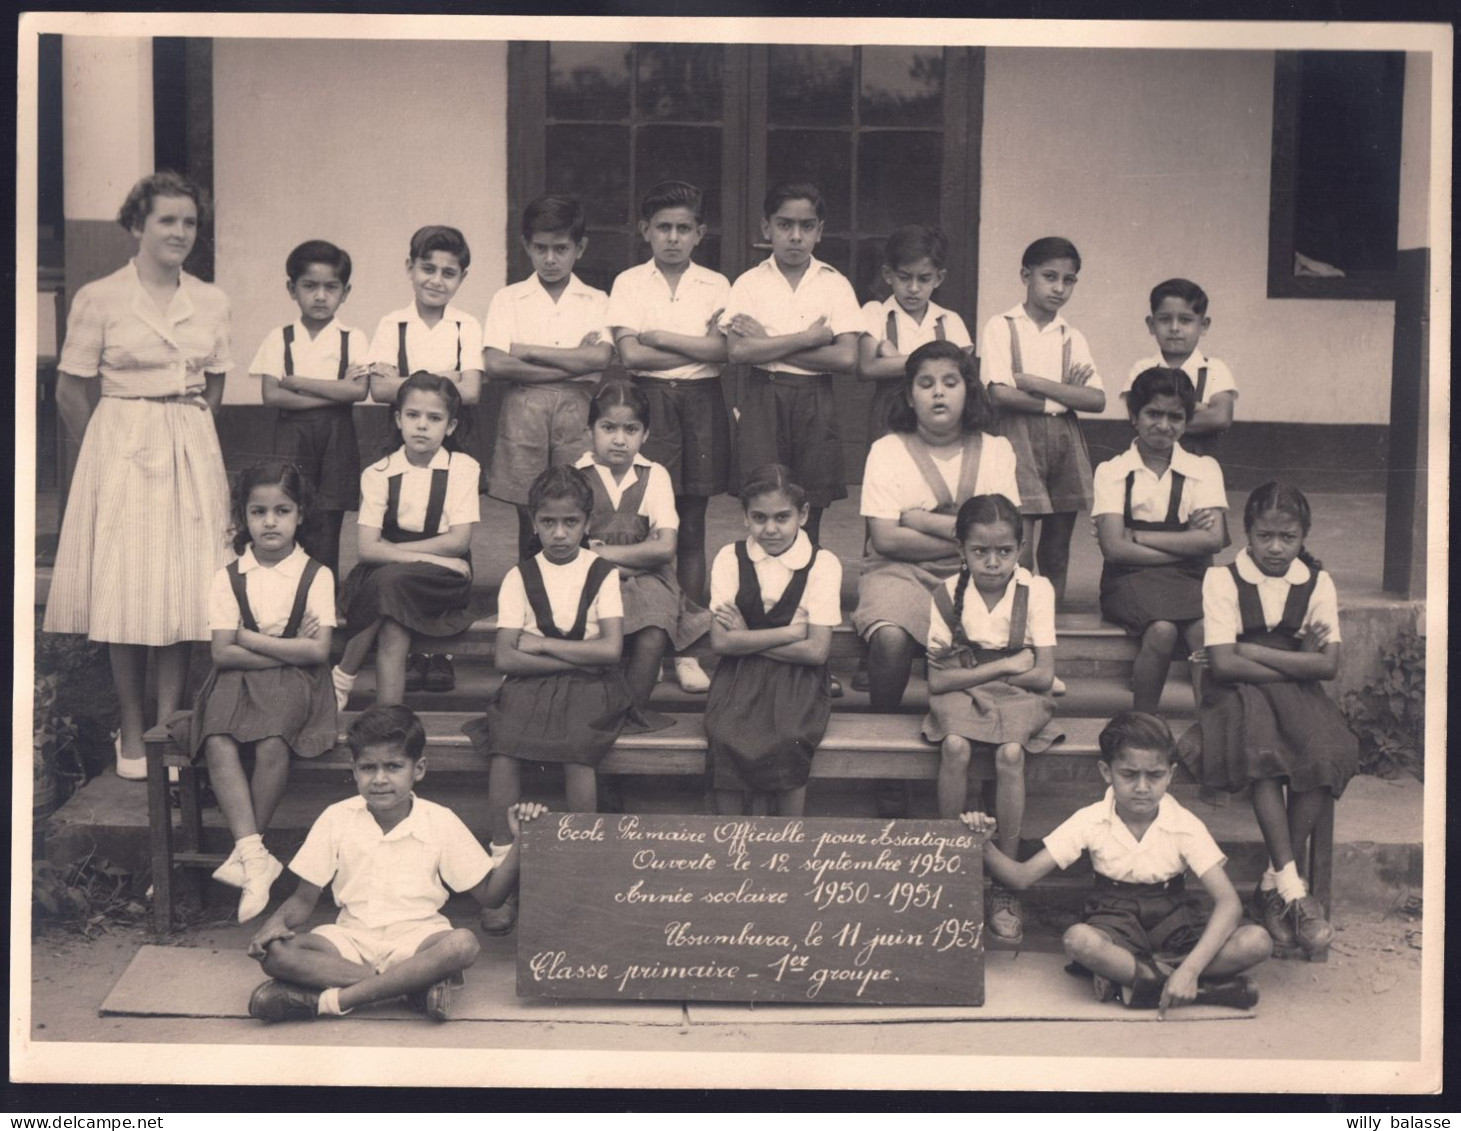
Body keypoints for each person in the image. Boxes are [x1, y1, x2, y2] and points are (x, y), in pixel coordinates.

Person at [45, 171, 232, 781]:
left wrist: (186, 431)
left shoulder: (210, 300)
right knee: (128, 590)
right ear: (136, 225)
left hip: (187, 444)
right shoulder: (100, 298)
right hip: (121, 445)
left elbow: (219, 380)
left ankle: (167, 727)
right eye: (167, 221)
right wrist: (108, 448)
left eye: (189, 223)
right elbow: (71, 390)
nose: (180, 232)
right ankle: (130, 729)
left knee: (180, 589)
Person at [246, 705, 546, 1023]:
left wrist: (521, 840)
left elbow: (492, 896)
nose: (379, 779)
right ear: (353, 768)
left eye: (393, 766)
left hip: (418, 939)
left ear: (418, 769)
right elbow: (303, 900)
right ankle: (412, 986)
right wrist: (273, 926)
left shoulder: (440, 820)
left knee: (462, 944)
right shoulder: (337, 817)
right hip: (351, 939)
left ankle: (329, 1001)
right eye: (368, 768)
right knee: (277, 952)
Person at [963, 712, 1271, 1013]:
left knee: (1256, 941)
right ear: (1106, 771)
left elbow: (1229, 903)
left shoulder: (1184, 824)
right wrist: (983, 843)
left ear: (1171, 774)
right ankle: (1205, 991)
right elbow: (1021, 877)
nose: (1141, 787)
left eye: (1155, 775)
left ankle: (1138, 982)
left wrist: (1189, 969)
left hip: (1175, 920)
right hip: (1113, 917)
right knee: (1079, 941)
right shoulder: (1090, 819)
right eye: (1128, 774)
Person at [465, 467, 659, 933]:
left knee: (578, 750)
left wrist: (545, 644)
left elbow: (610, 651)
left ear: (587, 523)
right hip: (532, 685)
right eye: (549, 522)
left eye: (570, 522)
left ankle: (578, 863)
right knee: (505, 746)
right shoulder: (520, 576)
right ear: (533, 522)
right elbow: (506, 658)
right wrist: (578, 658)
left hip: (593, 689)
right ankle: (501, 863)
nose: (559, 533)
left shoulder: (602, 573)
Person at [1180, 483, 1358, 959]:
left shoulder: (1317, 581)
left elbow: (1328, 666)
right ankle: (1295, 895)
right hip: (1236, 694)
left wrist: (1252, 648)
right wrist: (1294, 654)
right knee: (1264, 752)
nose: (1276, 548)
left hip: (1294, 692)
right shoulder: (1223, 579)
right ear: (1248, 534)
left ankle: (1271, 884)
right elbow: (1223, 665)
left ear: (1304, 537)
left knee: (1326, 752)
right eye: (1265, 537)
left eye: (1288, 537)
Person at [169, 460, 337, 923]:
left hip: (298, 685)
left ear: (300, 514)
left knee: (271, 741)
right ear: (243, 517)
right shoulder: (228, 576)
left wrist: (249, 638)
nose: (270, 522)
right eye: (258, 511)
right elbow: (222, 654)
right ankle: (254, 855)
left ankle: (247, 855)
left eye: (282, 511)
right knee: (218, 739)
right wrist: (289, 647)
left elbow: (318, 652)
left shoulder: (315, 575)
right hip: (235, 680)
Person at [609, 180, 731, 694]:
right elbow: (631, 357)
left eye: (684, 228)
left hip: (702, 403)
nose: (674, 237)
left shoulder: (718, 285)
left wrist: (657, 335)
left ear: (699, 233)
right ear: (646, 231)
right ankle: (645, 629)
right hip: (650, 403)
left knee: (694, 524)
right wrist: (691, 346)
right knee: (646, 520)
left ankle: (688, 645)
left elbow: (722, 352)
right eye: (664, 227)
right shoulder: (629, 282)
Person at [852, 341, 1021, 713]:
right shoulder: (887, 450)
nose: (938, 392)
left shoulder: (996, 450)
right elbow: (886, 539)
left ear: (968, 390)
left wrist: (920, 520)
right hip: (899, 572)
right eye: (925, 384)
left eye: (950, 382)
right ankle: (883, 730)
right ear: (910, 397)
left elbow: (1003, 535)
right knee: (891, 637)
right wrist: (971, 539)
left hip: (979, 574)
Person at [924, 494, 1060, 944]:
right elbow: (938, 682)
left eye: (1004, 551)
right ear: (961, 549)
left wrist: (1014, 673)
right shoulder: (946, 593)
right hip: (966, 688)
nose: (993, 562)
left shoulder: (1036, 591)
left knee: (1009, 754)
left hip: (1020, 695)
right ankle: (953, 863)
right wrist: (1003, 665)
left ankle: (1005, 882)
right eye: (980, 551)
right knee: (956, 746)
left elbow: (1042, 674)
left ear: (1020, 549)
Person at [364, 224, 484, 695]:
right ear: (410, 268)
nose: (437, 279)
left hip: (453, 435)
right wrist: (442, 378)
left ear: (462, 277)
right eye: (427, 268)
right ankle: (408, 642)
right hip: (406, 431)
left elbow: (470, 391)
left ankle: (441, 650)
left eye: (449, 273)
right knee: (403, 521)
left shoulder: (465, 325)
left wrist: (410, 380)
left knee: (451, 525)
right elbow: (378, 389)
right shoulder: (391, 324)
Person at [722, 181, 862, 548]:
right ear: (766, 228)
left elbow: (846, 357)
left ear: (820, 230)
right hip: (764, 394)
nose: (795, 236)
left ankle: (806, 584)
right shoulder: (749, 283)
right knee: (762, 496)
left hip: (814, 398)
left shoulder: (835, 284)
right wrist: (806, 338)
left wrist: (766, 342)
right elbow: (737, 353)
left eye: (806, 226)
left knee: (809, 501)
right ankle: (761, 587)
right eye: (785, 225)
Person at [332, 374, 480, 711]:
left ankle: (342, 676)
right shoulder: (378, 472)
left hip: (440, 581)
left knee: (388, 583)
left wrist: (401, 555)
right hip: (397, 571)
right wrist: (436, 558)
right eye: (413, 415)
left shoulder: (463, 468)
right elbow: (367, 548)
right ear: (398, 419)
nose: (422, 426)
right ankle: (390, 716)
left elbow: (458, 541)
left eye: (434, 418)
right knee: (393, 624)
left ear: (452, 426)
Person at [706, 464, 842, 818]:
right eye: (759, 517)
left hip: (798, 681)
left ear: (804, 514)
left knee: (787, 738)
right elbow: (721, 643)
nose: (770, 529)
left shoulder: (823, 564)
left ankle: (784, 841)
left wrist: (746, 635)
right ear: (745, 518)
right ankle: (730, 837)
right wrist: (787, 633)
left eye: (782, 517)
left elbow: (815, 651)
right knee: (723, 734)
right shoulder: (729, 558)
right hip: (739, 675)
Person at [483, 194, 613, 561]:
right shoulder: (508, 299)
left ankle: (575, 585)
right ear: (526, 245)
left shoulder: (595, 299)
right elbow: (496, 364)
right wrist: (572, 361)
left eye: (561, 248)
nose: (551, 259)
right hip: (523, 407)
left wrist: (526, 349)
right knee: (529, 508)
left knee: (576, 500)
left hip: (577, 408)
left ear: (580, 248)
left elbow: (599, 359)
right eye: (541, 248)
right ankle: (529, 586)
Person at [979, 236, 1106, 607]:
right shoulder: (1002, 326)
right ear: (1026, 275)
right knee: (1020, 539)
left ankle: (1048, 617)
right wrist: (1064, 395)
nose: (1059, 288)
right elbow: (999, 393)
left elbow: (1096, 398)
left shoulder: (1072, 336)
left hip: (1066, 440)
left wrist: (1034, 383)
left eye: (1068, 280)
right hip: (1016, 438)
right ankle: (1012, 616)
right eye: (1050, 277)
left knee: (1058, 544)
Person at [1093, 367, 1228, 714]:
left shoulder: (1204, 468)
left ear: (1187, 421)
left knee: (1202, 632)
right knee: (1163, 630)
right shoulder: (1112, 471)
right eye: (1154, 413)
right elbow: (1114, 549)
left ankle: (1210, 729)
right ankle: (1144, 724)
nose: (1164, 425)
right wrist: (1185, 542)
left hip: (1189, 580)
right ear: (1134, 416)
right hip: (1129, 579)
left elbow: (1213, 539)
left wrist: (1140, 536)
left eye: (1175, 417)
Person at [574, 381, 710, 711]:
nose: (620, 439)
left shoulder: (655, 475)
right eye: (608, 428)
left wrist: (602, 553)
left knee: (653, 634)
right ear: (590, 429)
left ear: (645, 434)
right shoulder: (575, 475)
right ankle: (592, 711)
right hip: (589, 581)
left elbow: (665, 549)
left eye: (631, 429)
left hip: (649, 580)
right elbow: (571, 552)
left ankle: (629, 713)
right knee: (592, 631)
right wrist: (634, 557)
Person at [252, 240, 371, 576]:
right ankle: (288, 586)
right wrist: (337, 392)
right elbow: (272, 396)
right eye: (310, 286)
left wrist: (299, 381)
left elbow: (359, 391)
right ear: (292, 289)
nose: (320, 296)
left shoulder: (353, 337)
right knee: (291, 504)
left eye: (331, 287)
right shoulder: (280, 337)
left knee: (329, 515)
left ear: (345, 292)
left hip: (336, 435)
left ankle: (324, 592)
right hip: (294, 433)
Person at [855, 224, 974, 442]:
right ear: (888, 275)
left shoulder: (949, 321)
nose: (913, 288)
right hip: (889, 417)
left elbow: (962, 371)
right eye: (905, 277)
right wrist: (936, 359)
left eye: (924, 279)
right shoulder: (876, 313)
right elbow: (867, 367)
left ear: (939, 278)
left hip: (939, 416)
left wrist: (891, 354)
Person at [1122, 278, 1237, 459]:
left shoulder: (1214, 369)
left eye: (1185, 320)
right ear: (1151, 325)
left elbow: (1220, 418)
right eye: (1165, 319)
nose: (1174, 328)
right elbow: (1134, 417)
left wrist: (1156, 418)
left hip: (1200, 466)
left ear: (1203, 325)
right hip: (1150, 463)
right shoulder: (1142, 368)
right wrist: (1196, 409)